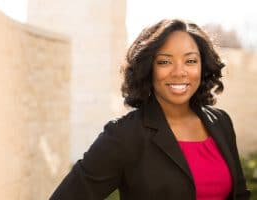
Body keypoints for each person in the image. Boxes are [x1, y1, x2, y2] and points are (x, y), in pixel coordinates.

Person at [49, 19, 251, 200]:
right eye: (165, 61)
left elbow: (240, 195)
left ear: (202, 66)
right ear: (148, 68)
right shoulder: (124, 135)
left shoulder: (220, 122)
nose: (179, 72)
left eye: (190, 61)